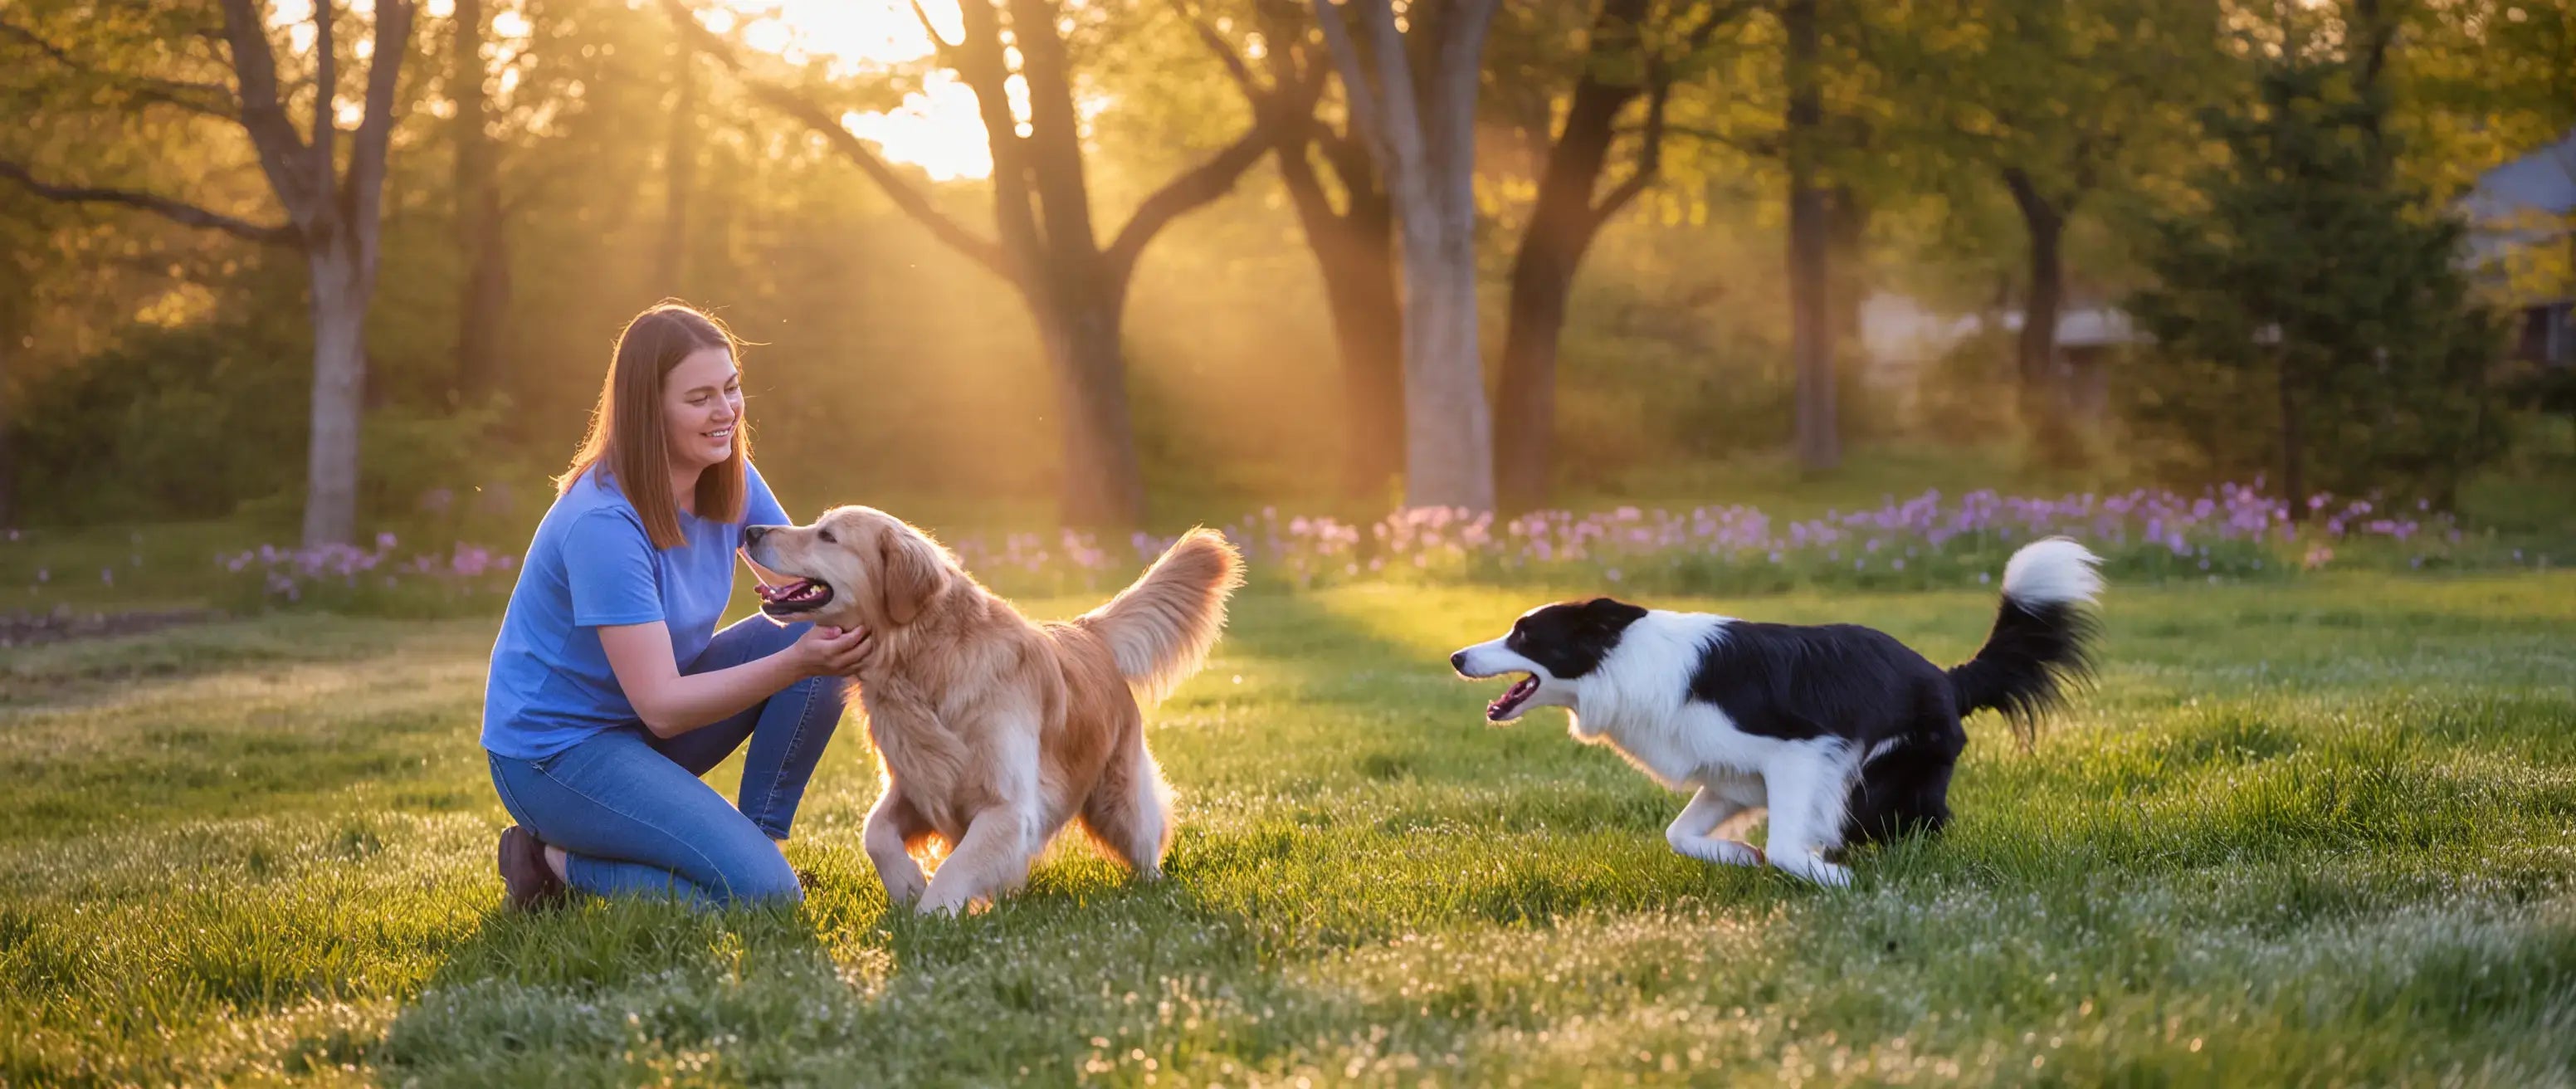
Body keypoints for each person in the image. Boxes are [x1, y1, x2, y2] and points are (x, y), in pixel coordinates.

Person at [480, 301, 872, 910]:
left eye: (732, 388)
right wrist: (799, 665)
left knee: (819, 631)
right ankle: (551, 862)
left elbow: (818, 584)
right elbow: (662, 707)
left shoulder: (728, 474)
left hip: (642, 727)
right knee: (766, 903)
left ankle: (761, 845)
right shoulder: (603, 522)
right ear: (649, 410)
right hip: (556, 757)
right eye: (700, 398)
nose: (727, 412)